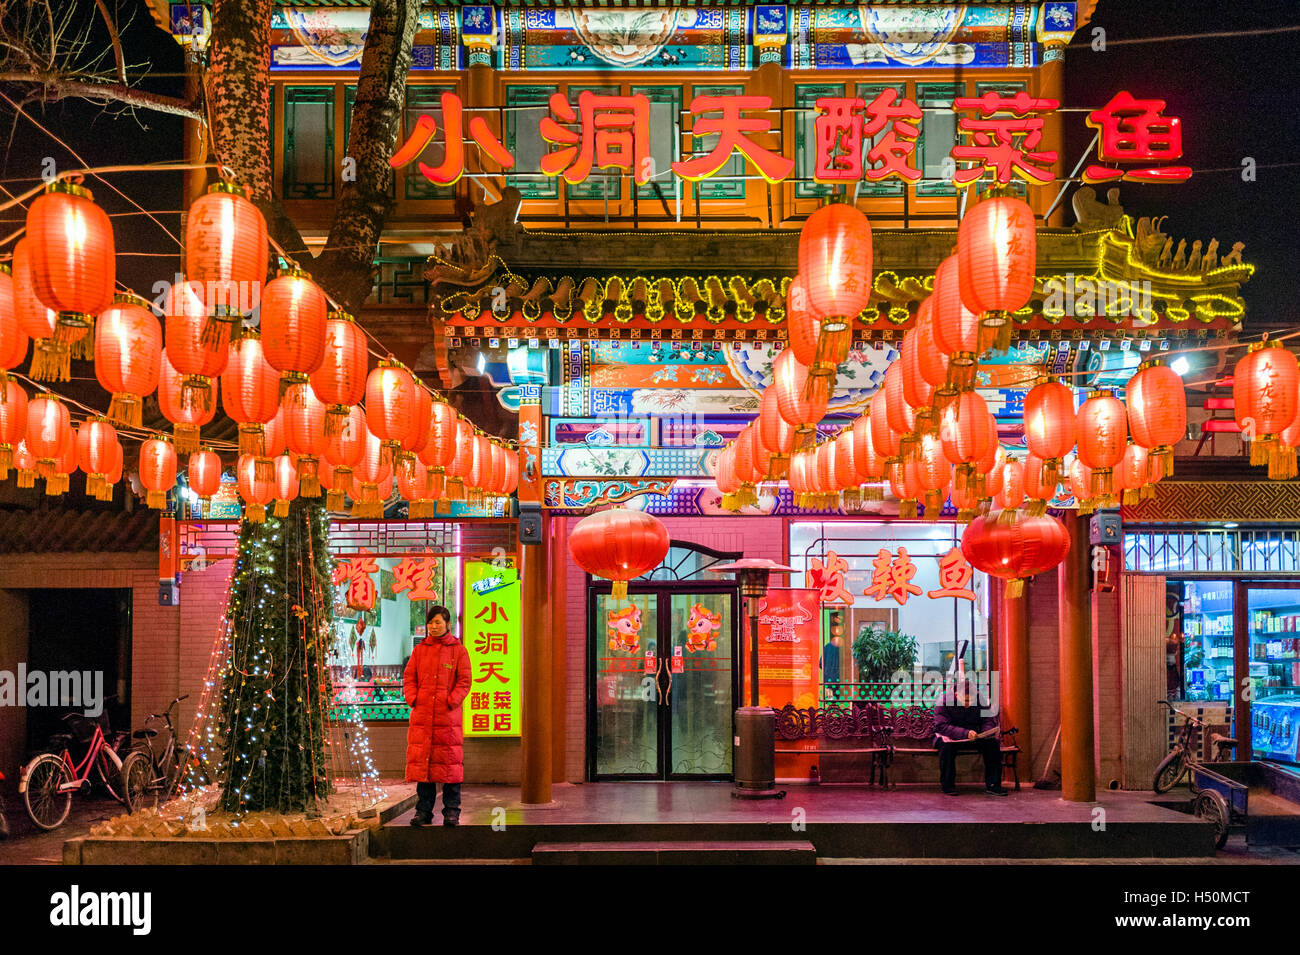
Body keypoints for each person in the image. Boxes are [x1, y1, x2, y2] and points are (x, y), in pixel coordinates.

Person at [403, 605, 472, 826]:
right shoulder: (420, 650)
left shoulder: (458, 650)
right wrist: (414, 699)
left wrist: (451, 701)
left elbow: (465, 681)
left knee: (450, 767)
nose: (434, 626)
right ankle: (423, 812)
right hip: (423, 718)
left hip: (447, 719)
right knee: (425, 768)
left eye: (438, 622)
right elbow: (409, 678)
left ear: (448, 624)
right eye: (431, 622)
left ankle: (452, 812)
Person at [933, 681, 1007, 796]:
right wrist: (965, 733)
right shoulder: (943, 701)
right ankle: (948, 786)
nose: (968, 703)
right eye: (966, 700)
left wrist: (984, 732)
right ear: (956, 695)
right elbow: (941, 726)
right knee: (946, 747)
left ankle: (993, 785)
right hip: (951, 737)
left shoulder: (979, 698)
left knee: (992, 744)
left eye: (971, 700)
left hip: (975, 736)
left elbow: (987, 719)